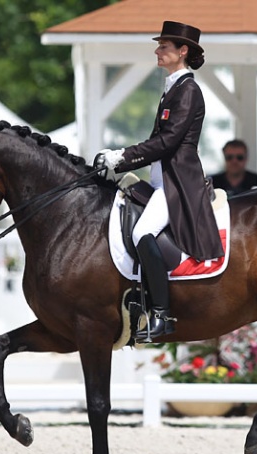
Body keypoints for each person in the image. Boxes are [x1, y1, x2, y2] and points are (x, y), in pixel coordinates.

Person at [94, 21, 224, 339]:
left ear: (182, 51)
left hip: (178, 184)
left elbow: (167, 143)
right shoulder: (172, 87)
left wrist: (122, 157)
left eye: (164, 46)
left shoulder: (189, 90)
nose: (157, 50)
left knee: (142, 232)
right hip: (159, 181)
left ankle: (162, 315)